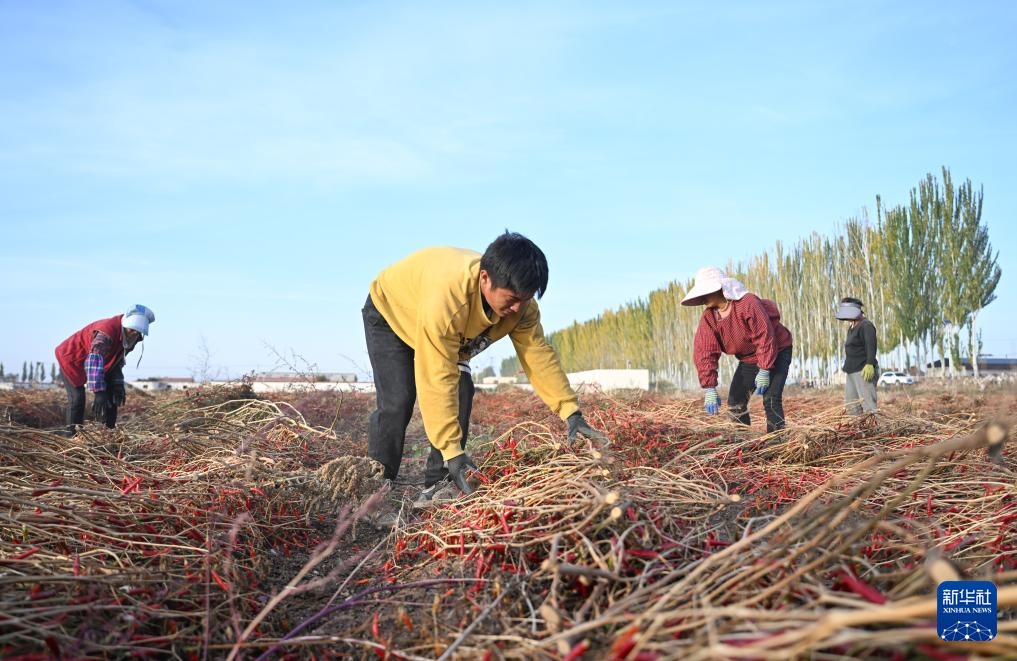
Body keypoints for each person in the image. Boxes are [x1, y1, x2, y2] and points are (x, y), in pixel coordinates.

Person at [363, 231, 609, 507]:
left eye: (525, 299)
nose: (517, 308)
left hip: (443, 327)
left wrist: (571, 412)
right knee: (398, 400)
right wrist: (452, 449)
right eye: (512, 298)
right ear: (484, 279)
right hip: (392, 312)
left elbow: (538, 355)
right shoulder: (449, 300)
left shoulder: (522, 309)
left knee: (462, 391)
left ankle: (439, 485)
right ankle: (376, 491)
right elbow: (436, 377)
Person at [681, 266, 794, 433]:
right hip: (749, 358)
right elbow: (704, 351)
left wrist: (764, 369)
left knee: (770, 398)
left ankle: (777, 441)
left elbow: (765, 335)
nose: (703, 298)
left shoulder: (747, 303)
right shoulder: (709, 317)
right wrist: (709, 387)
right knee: (735, 402)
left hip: (776, 350)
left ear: (719, 288)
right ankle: (742, 441)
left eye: (706, 292)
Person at [54, 305, 155, 434]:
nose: (134, 333)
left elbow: (116, 361)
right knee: (78, 398)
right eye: (131, 330)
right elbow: (94, 359)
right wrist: (98, 391)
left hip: (99, 362)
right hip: (72, 358)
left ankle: (107, 433)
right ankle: (72, 435)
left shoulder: (133, 338)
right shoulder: (107, 331)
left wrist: (118, 384)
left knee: (111, 396)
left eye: (137, 331)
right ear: (125, 324)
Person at [837, 296, 878, 415]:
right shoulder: (851, 327)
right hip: (851, 370)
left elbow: (871, 345)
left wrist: (870, 363)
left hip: (863, 370)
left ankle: (875, 431)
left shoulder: (866, 325)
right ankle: (859, 431)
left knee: (868, 404)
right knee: (852, 405)